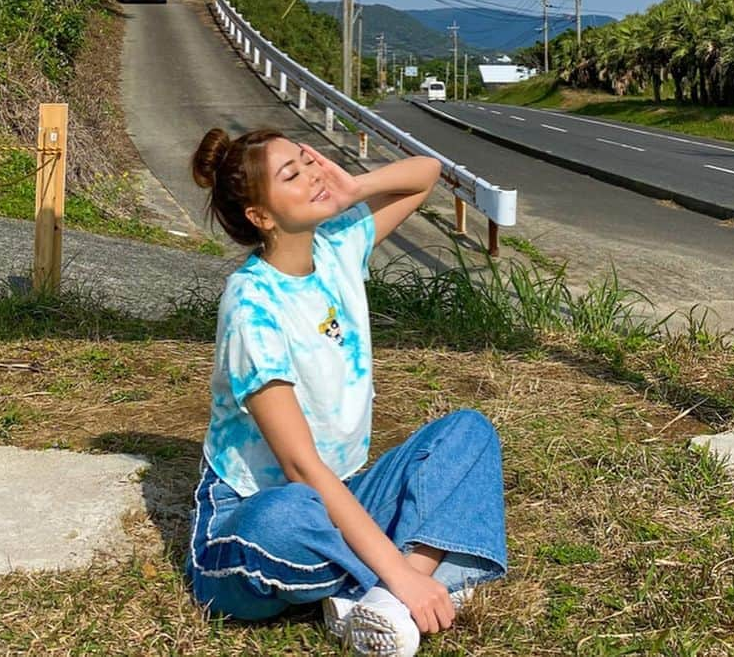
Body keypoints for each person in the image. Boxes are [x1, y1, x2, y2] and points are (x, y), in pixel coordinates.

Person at [183, 127, 507, 657]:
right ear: (261, 217)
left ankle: (379, 596)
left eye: (308, 160)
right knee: (285, 520)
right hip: (254, 515)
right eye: (292, 174)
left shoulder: (338, 248)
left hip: (343, 494)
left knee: (469, 433)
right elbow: (301, 469)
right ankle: (401, 578)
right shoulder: (252, 308)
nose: (312, 173)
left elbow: (425, 173)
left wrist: (354, 188)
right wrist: (403, 573)